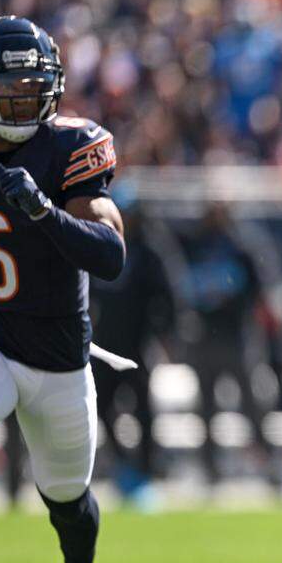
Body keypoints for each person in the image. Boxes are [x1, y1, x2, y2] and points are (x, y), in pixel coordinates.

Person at [0, 16, 126, 563]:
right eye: (6, 88)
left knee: (66, 496)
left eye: (31, 86)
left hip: (60, 350)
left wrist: (43, 210)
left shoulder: (71, 146)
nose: (19, 100)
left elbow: (111, 255)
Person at [90, 185, 180, 500]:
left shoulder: (149, 250)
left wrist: (165, 333)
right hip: (105, 345)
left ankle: (145, 468)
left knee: (143, 410)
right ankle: (123, 463)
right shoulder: (101, 246)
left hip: (138, 344)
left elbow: (167, 296)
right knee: (99, 406)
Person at [179, 201, 279, 486]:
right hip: (203, 337)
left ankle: (269, 463)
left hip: (237, 337)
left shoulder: (241, 245)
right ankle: (210, 469)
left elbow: (260, 288)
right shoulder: (193, 244)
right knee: (207, 407)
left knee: (251, 404)